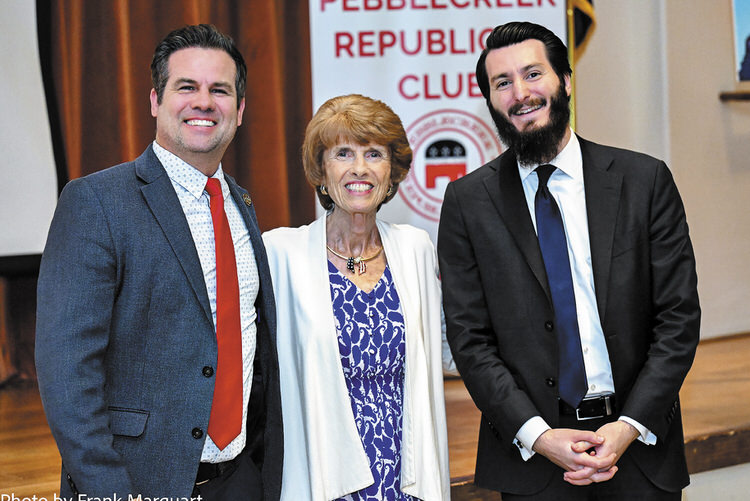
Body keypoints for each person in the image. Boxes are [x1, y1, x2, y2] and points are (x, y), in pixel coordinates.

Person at [437, 21, 700, 500]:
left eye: (533, 74)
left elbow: (678, 318)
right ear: (491, 101)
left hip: (640, 450)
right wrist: (539, 435)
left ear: (566, 81)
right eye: (502, 83)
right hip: (534, 460)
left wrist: (628, 425)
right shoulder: (467, 203)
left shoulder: (644, 181)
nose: (521, 93)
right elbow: (470, 340)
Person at [35, 24, 282, 500]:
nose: (203, 102)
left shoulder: (242, 204)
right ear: (155, 101)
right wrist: (108, 490)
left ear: (240, 110)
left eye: (220, 90)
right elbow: (67, 372)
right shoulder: (96, 202)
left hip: (240, 478)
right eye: (186, 87)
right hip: (137, 482)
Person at [262, 94, 452, 501]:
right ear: (321, 170)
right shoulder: (281, 254)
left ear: (392, 171)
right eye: (343, 153)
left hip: (406, 474)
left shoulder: (416, 249)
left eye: (374, 154)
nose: (360, 168)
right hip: (322, 476)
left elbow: (448, 350)